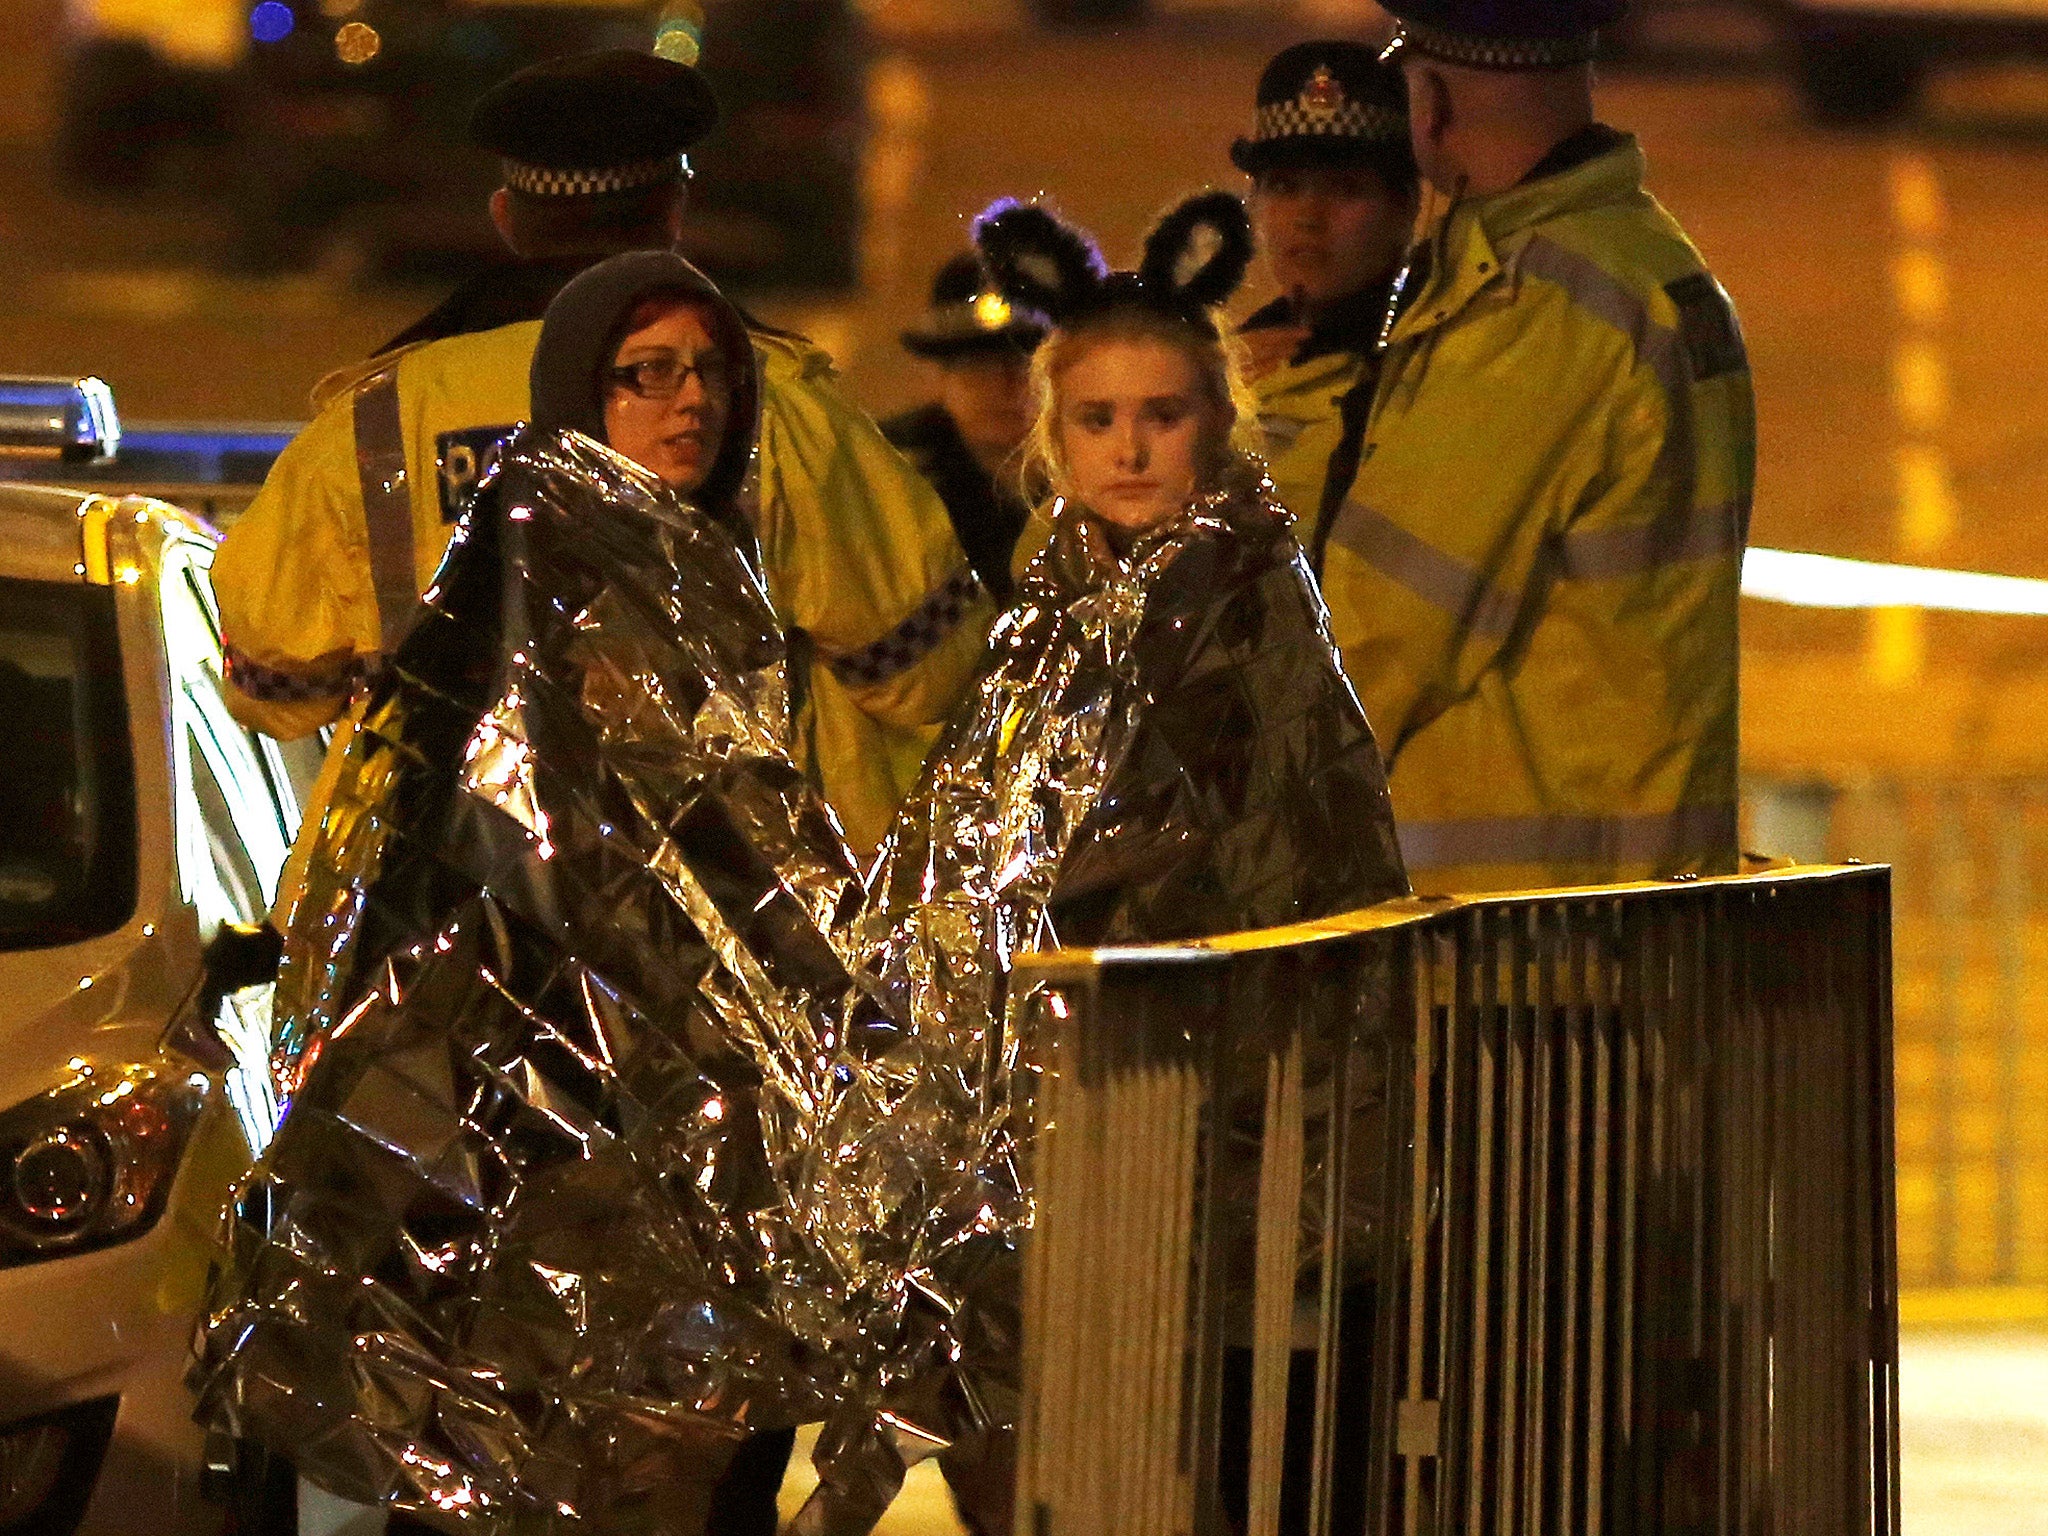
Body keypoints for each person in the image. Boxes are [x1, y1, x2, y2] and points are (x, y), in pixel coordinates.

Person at [194, 250, 856, 1536]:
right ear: (576, 393)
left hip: (689, 1122)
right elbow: (454, 855)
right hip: (525, 1118)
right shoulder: (520, 575)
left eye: (711, 371)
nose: (691, 403)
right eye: (645, 375)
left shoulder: (713, 573)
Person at [784, 192, 1412, 1536]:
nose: (1131, 447)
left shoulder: (1237, 606)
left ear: (1220, 423)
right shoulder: (1054, 604)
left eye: (1164, 416)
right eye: (1098, 419)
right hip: (1048, 1139)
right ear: (1051, 435)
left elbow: (1254, 861)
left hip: (1201, 1144)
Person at [214, 46, 991, 860]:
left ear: (507, 218)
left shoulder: (375, 423)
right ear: (675, 207)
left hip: (442, 903)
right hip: (736, 910)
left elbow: (274, 688)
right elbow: (928, 672)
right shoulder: (771, 402)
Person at [1312, 0, 1754, 892]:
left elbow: (1375, 637)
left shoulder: (1534, 312)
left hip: (1520, 938)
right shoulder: (1645, 260)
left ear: (1429, 103)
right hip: (1623, 906)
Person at [1233, 41, 1420, 571]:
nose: (1308, 217)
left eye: (1345, 189)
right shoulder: (1229, 360)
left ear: (1405, 207)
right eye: (1285, 186)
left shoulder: (1431, 370)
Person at [880, 253, 1048, 600]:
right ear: (940, 378)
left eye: (1027, 364)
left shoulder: (1097, 478)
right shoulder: (892, 478)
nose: (1008, 386)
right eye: (980, 366)